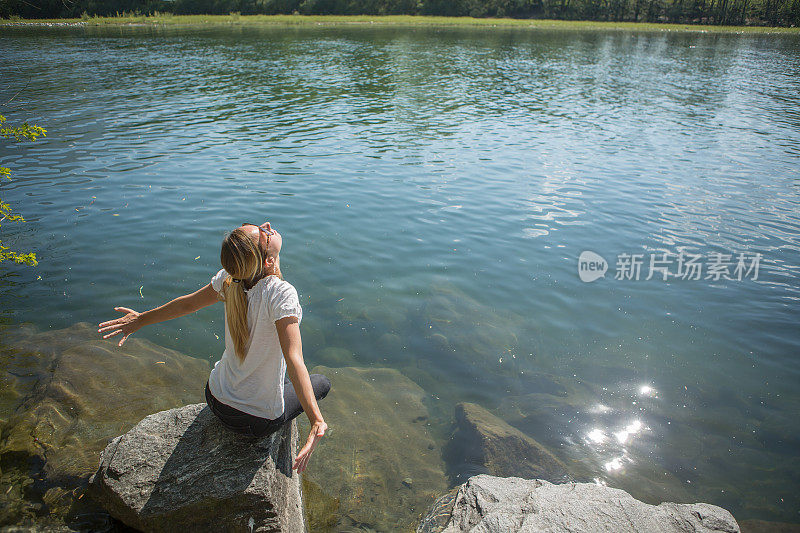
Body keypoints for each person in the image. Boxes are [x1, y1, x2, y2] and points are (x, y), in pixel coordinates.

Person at [97, 222, 329, 473]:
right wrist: (316, 420)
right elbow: (294, 359)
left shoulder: (229, 280)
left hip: (215, 398)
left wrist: (140, 320)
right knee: (321, 382)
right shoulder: (281, 294)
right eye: (263, 233)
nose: (267, 226)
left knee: (286, 381)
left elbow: (187, 305)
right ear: (268, 262)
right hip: (254, 422)